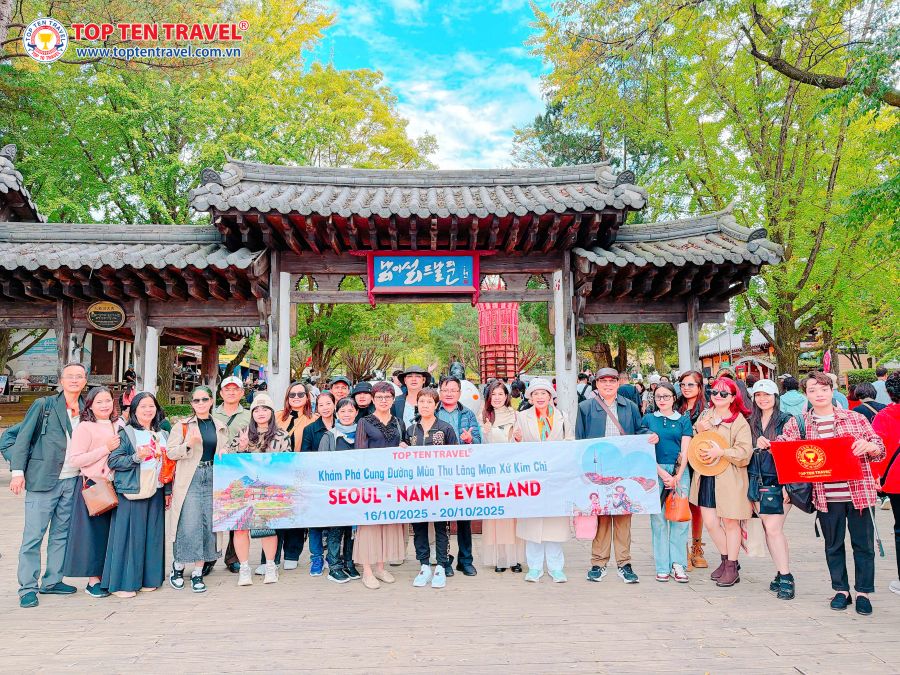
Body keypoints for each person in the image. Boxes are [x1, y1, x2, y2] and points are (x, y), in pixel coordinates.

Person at [777, 372, 885, 615]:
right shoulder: (800, 423)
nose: (819, 394)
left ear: (831, 391)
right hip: (826, 495)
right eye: (813, 390)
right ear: (806, 394)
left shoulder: (855, 418)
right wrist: (769, 444)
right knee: (833, 545)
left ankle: (863, 592)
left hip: (859, 492)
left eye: (824, 389)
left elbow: (879, 446)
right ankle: (841, 590)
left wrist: (870, 446)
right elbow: (785, 447)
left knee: (864, 545)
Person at [9, 362, 87, 608]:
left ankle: (53, 580)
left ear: (85, 381)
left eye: (79, 376)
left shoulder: (87, 408)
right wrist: (17, 472)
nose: (74, 380)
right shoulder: (44, 405)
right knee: (33, 536)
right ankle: (27, 587)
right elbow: (23, 438)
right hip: (42, 479)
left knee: (61, 534)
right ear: (61, 380)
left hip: (72, 480)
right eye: (69, 376)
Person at [576, 367, 656, 584]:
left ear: (618, 383)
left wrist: (650, 436)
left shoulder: (629, 406)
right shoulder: (585, 407)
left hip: (624, 469)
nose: (608, 385)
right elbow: (579, 440)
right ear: (596, 384)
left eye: (612, 381)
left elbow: (639, 430)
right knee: (601, 516)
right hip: (598, 470)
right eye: (603, 381)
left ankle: (624, 563)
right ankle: (598, 563)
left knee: (623, 515)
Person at [103, 392, 168, 598]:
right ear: (134, 410)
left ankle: (149, 579)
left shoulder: (163, 434)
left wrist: (168, 491)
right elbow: (114, 461)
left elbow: (169, 465)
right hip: (132, 490)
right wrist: (135, 457)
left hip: (156, 490)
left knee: (152, 536)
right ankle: (123, 584)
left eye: (151, 406)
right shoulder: (127, 433)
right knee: (129, 537)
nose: (148, 410)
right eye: (143, 406)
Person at [165, 386, 229, 594]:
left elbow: (225, 449)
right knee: (188, 522)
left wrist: (226, 450)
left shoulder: (220, 426)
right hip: (190, 476)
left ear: (211, 401)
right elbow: (170, 453)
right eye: (196, 400)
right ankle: (178, 566)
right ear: (191, 403)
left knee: (208, 523)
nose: (200, 403)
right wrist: (189, 444)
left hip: (213, 475)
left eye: (204, 399)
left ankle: (198, 571)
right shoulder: (182, 426)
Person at [691, 377, 753, 588]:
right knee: (710, 522)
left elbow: (745, 452)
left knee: (730, 522)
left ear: (733, 397)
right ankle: (727, 559)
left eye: (724, 393)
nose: (718, 396)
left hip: (730, 477)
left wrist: (722, 452)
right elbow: (696, 442)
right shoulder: (705, 415)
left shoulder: (739, 421)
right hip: (706, 475)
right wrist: (699, 430)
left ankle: (731, 565)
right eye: (714, 392)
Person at [61, 386, 119, 598]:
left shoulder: (119, 424)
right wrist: (105, 448)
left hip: (117, 485)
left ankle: (109, 575)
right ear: (90, 406)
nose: (104, 405)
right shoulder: (85, 427)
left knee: (112, 533)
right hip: (94, 486)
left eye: (108, 401)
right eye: (99, 402)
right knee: (93, 534)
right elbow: (76, 459)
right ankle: (93, 579)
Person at [229, 393, 291, 587]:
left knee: (267, 528)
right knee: (241, 529)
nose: (261, 413)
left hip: (269, 490)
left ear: (271, 412)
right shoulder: (243, 433)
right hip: (245, 490)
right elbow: (229, 460)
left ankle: (270, 565)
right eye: (256, 409)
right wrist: (242, 448)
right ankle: (244, 567)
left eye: (265, 409)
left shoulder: (281, 435)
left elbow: (287, 462)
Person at [517, 378, 574, 582]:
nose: (540, 397)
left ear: (550, 396)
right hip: (532, 477)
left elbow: (570, 442)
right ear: (530, 398)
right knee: (532, 523)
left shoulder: (562, 416)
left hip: (556, 477)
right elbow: (515, 446)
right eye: (536, 394)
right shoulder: (522, 417)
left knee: (554, 524)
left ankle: (556, 567)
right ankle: (534, 567)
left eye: (544, 393)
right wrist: (516, 439)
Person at [354, 382, 408, 589]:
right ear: (373, 400)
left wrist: (405, 446)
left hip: (392, 481)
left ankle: (380, 566)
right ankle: (367, 571)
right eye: (379, 397)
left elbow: (405, 447)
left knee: (387, 523)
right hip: (371, 481)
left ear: (393, 400)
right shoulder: (364, 422)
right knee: (370, 526)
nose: (383, 401)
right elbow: (360, 453)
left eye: (387, 397)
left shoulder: (398, 422)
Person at [747, 379, 796, 600]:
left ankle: (786, 576)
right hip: (757, 480)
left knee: (773, 528)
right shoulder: (750, 421)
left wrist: (788, 484)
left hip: (780, 481)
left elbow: (793, 451)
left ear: (775, 397)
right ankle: (780, 571)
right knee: (770, 528)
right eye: (758, 395)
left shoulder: (787, 420)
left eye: (767, 395)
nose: (762, 399)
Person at [407, 387, 458, 588]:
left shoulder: (445, 428)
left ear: (436, 405)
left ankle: (442, 566)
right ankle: (424, 565)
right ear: (417, 404)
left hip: (440, 487)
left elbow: (456, 457)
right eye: (422, 401)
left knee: (441, 527)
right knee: (418, 526)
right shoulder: (411, 430)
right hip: (417, 489)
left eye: (430, 402)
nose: (425, 405)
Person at [643, 382, 693, 583]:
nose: (662, 400)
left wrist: (677, 475)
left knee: (680, 519)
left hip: (679, 471)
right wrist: (661, 473)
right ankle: (662, 565)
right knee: (658, 520)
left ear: (674, 398)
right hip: (654, 470)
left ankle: (678, 564)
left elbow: (685, 450)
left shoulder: (683, 420)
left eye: (666, 396)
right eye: (658, 397)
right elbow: (643, 449)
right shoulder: (648, 420)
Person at [436, 375, 482, 577]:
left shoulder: (468, 414)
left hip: (463, 472)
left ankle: (465, 560)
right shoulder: (432, 411)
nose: (449, 393)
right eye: (445, 390)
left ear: (459, 393)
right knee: (442, 518)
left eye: (453, 390)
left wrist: (470, 440)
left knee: (464, 517)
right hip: (438, 472)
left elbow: (478, 441)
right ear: (439, 391)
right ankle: (444, 559)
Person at [479, 380, 525, 573]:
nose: (497, 398)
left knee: (513, 517)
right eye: (493, 394)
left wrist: (519, 439)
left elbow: (522, 444)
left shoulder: (516, 416)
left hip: (512, 474)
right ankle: (500, 558)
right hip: (492, 475)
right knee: (496, 517)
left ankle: (515, 558)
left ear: (507, 396)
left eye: (500, 394)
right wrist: (484, 435)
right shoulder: (482, 416)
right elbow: (477, 447)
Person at [270, 381, 316, 573]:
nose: (296, 398)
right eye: (292, 395)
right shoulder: (276, 417)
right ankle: (271, 556)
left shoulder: (314, 419)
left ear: (307, 397)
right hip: (276, 473)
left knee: (296, 513)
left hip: (300, 473)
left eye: (300, 394)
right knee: (275, 514)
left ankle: (292, 554)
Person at [319, 397, 361, 583]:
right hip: (336, 492)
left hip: (356, 491)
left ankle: (349, 563)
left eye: (350, 411)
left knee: (352, 529)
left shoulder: (362, 434)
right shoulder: (329, 436)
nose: (346, 414)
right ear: (336, 414)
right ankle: (334, 566)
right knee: (336, 529)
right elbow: (321, 465)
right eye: (342, 411)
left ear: (356, 413)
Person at [213, 375, 252, 573]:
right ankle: (210, 557)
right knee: (213, 512)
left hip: (239, 469)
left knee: (238, 513)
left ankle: (233, 557)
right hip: (215, 467)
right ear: (221, 393)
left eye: (235, 389)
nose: (231, 392)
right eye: (227, 389)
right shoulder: (212, 413)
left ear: (242, 393)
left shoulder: (249, 415)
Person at [676, 370, 708, 571]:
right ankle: (682, 549)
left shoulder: (707, 409)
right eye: (683, 385)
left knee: (697, 506)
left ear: (699, 386)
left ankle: (697, 547)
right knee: (681, 504)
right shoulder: (674, 405)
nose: (686, 388)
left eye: (691, 384)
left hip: (699, 461)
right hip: (678, 461)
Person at [872, 371, 900, 595]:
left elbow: (878, 451)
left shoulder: (885, 416)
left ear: (890, 393)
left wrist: (876, 476)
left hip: (896, 479)